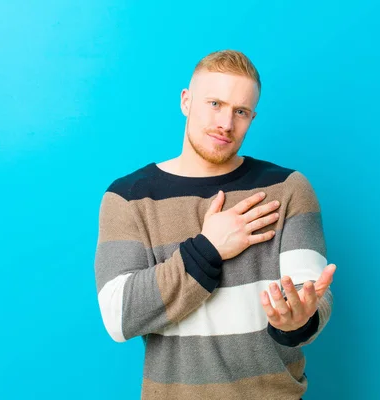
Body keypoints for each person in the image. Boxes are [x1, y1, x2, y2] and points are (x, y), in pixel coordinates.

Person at [93, 49, 337, 400]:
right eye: (215, 104)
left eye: (240, 111)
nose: (226, 123)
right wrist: (207, 249)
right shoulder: (128, 197)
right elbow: (118, 316)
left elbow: (309, 296)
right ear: (186, 101)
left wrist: (296, 320)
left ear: (252, 117)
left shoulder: (288, 189)